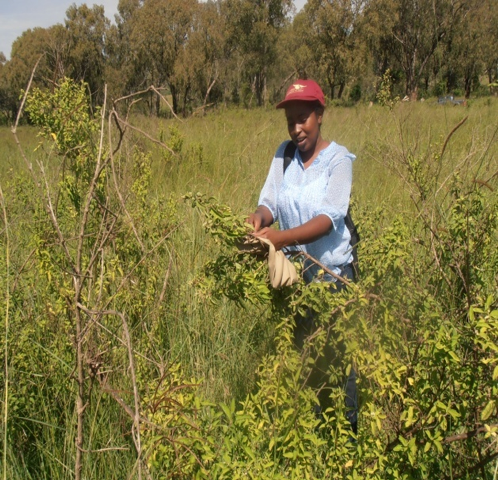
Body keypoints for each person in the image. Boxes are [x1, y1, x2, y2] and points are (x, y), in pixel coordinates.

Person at [247, 79, 358, 433]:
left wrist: (279, 238)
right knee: (305, 365)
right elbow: (270, 202)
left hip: (334, 280)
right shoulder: (284, 155)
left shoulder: (338, 161)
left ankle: (348, 440)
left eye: (304, 118)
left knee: (341, 368)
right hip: (295, 282)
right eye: (291, 120)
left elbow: (328, 220)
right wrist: (258, 220)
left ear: (320, 115)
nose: (296, 128)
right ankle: (309, 441)